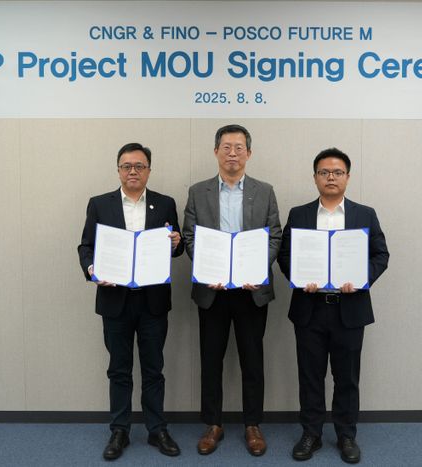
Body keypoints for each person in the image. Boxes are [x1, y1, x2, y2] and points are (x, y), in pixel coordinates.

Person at [277, 148, 389, 464]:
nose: (330, 177)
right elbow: (284, 255)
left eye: (337, 172)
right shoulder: (299, 214)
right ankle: (311, 433)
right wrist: (300, 278)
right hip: (309, 307)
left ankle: (346, 435)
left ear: (347, 177)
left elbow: (381, 255)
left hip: (349, 308)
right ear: (315, 177)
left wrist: (361, 279)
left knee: (347, 377)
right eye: (324, 172)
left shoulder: (364, 214)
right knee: (310, 375)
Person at [77, 143, 184, 461]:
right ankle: (119, 430)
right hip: (115, 300)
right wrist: (92, 269)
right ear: (118, 170)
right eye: (127, 166)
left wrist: (176, 243)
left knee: (154, 369)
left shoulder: (165, 203)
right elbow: (86, 246)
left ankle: (157, 429)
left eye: (139, 166)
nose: (133, 171)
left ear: (149, 170)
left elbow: (176, 247)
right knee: (119, 369)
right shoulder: (100, 204)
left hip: (153, 301)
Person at [182, 124, 282, 456]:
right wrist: (207, 268)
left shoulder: (265, 191)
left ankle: (253, 424)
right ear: (216, 152)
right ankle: (213, 424)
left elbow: (274, 236)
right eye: (226, 147)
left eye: (239, 148)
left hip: (251, 291)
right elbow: (190, 236)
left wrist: (256, 269)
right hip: (212, 290)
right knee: (211, 360)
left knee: (253, 360)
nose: (232, 154)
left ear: (249, 153)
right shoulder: (198, 192)